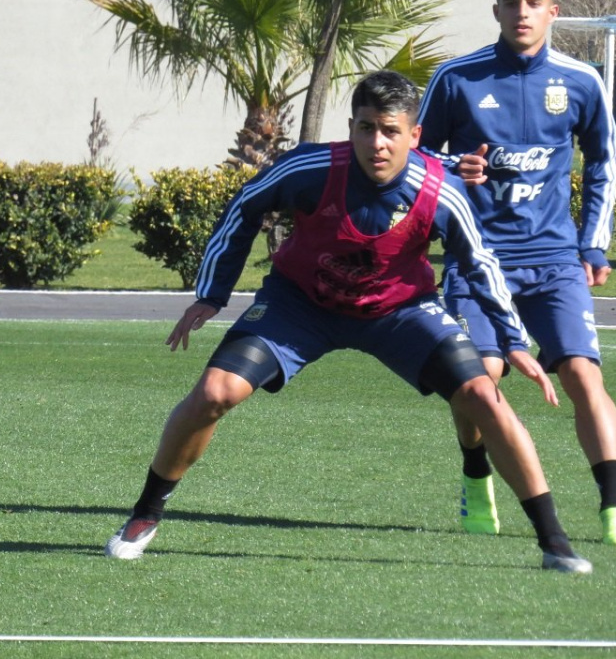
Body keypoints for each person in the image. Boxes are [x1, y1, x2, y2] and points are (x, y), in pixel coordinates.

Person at [104, 70, 592, 574]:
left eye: (390, 130)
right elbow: (245, 205)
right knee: (214, 392)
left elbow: (481, 263)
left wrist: (513, 341)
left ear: (414, 135)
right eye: (366, 127)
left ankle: (555, 542)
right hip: (301, 306)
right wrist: (212, 293)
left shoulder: (441, 190)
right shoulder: (310, 168)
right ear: (351, 127)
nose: (377, 143)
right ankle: (145, 514)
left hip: (400, 312)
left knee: (484, 397)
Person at [418, 0, 616, 544]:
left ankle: (612, 506)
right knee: (480, 379)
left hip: (554, 259)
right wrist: (454, 165)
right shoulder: (456, 77)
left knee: (583, 374)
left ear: (553, 12)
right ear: (496, 11)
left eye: (533, 2)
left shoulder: (581, 80)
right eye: (511, 2)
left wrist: (593, 242)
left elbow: (604, 162)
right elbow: (415, 156)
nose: (522, 12)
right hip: (476, 259)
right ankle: (475, 473)